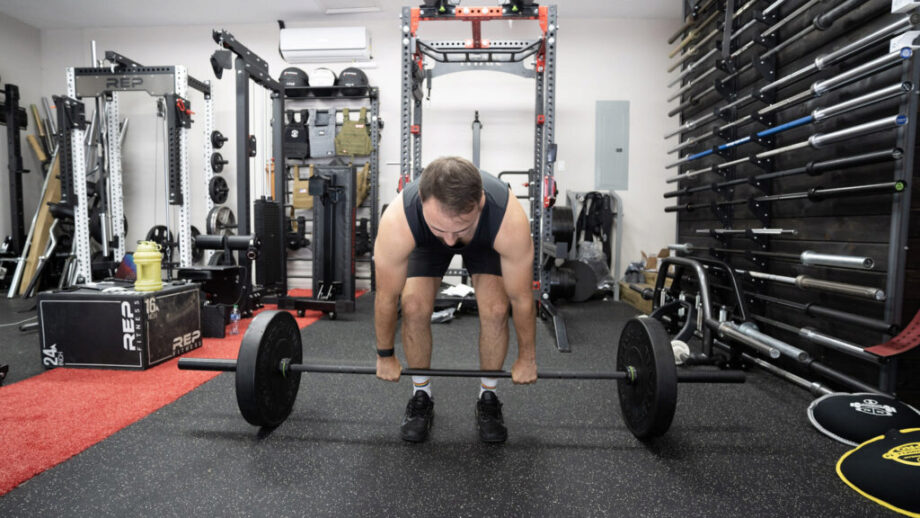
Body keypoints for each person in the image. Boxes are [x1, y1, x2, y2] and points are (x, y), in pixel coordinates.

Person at [374, 156, 537, 443]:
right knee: (413, 305)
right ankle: (421, 394)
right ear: (422, 202)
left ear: (481, 203)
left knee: (497, 309)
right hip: (425, 242)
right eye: (442, 230)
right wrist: (385, 355)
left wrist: (527, 358)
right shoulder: (400, 219)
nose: (450, 241)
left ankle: (489, 396)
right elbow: (387, 296)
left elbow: (521, 298)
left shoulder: (507, 219)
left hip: (485, 240)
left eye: (459, 229)